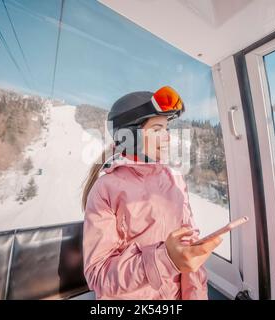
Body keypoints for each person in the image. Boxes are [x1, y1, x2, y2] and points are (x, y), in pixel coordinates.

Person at [82, 86, 222, 300]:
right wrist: (164, 259)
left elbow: (189, 250)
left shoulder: (174, 180)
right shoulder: (106, 189)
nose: (167, 138)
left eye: (167, 129)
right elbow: (98, 275)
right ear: (130, 136)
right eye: (157, 129)